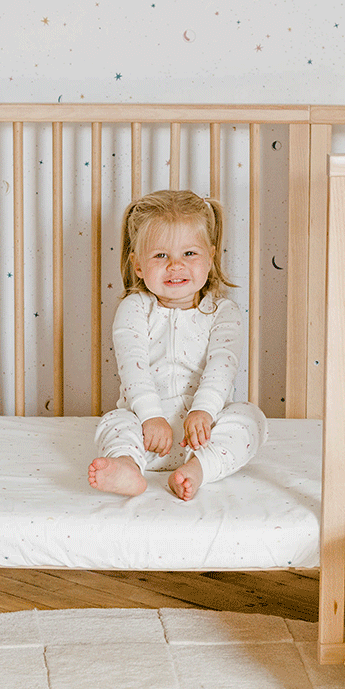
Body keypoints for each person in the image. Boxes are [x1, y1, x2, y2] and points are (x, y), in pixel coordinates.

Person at [88, 189, 267, 501]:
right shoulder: (134, 308)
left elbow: (222, 368)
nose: (175, 266)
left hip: (202, 434)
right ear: (138, 265)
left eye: (189, 254)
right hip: (146, 434)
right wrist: (149, 416)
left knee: (251, 418)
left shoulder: (223, 313)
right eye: (161, 256)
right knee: (114, 421)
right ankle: (127, 465)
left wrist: (203, 411)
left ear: (210, 258)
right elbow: (132, 367)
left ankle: (197, 469)